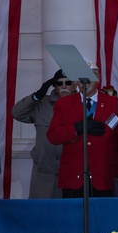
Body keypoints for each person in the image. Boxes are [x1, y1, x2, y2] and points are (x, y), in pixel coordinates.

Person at [46, 63, 118, 197]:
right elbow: (53, 136)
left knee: (103, 216)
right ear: (76, 81)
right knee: (74, 216)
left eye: (92, 75)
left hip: (105, 173)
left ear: (99, 78)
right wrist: (76, 128)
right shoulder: (64, 104)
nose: (87, 79)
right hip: (73, 175)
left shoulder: (114, 104)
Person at [12, 69, 72, 198]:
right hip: (44, 173)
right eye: (59, 83)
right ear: (54, 86)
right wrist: (37, 95)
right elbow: (17, 113)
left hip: (71, 172)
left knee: (70, 213)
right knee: (40, 213)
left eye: (68, 82)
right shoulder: (42, 104)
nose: (64, 86)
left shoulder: (83, 104)